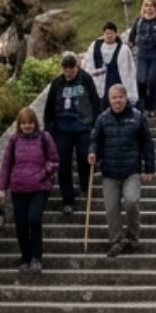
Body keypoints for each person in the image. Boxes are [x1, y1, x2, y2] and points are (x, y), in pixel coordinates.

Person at [89, 84, 156, 257]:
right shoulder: (102, 119)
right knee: (111, 208)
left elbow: (147, 143)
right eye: (114, 98)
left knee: (132, 201)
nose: (117, 101)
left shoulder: (137, 117)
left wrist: (149, 167)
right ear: (109, 99)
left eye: (120, 97)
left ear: (126, 98)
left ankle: (133, 237)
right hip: (109, 171)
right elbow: (94, 139)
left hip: (131, 170)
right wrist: (92, 152)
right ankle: (116, 241)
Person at [0, 107, 59, 272]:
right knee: (21, 224)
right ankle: (25, 257)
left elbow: (54, 160)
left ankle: (36, 257)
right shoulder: (13, 140)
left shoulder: (44, 137)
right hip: (18, 187)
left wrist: (44, 173)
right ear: (19, 124)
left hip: (40, 187)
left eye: (30, 122)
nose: (27, 126)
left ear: (35, 123)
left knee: (34, 219)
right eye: (24, 123)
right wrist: (2, 187)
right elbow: (6, 165)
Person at [42, 53, 101, 214]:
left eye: (72, 70)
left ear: (77, 67)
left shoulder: (86, 79)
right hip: (62, 130)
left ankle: (84, 185)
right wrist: (48, 130)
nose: (69, 73)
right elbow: (49, 108)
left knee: (84, 157)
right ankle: (68, 200)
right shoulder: (57, 84)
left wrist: (96, 125)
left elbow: (95, 102)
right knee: (63, 167)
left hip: (83, 127)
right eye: (66, 70)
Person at [127, 0, 156, 116]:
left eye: (151, 5)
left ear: (155, 7)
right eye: (146, 5)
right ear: (143, 7)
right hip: (142, 54)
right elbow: (131, 38)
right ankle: (142, 103)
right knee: (141, 79)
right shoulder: (139, 21)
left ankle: (151, 106)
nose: (149, 8)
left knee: (152, 80)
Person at [84, 21, 137, 103]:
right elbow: (87, 63)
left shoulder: (123, 49)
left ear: (116, 34)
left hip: (116, 78)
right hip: (99, 81)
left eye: (111, 33)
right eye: (107, 33)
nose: (109, 36)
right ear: (103, 34)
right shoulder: (94, 47)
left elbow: (129, 68)